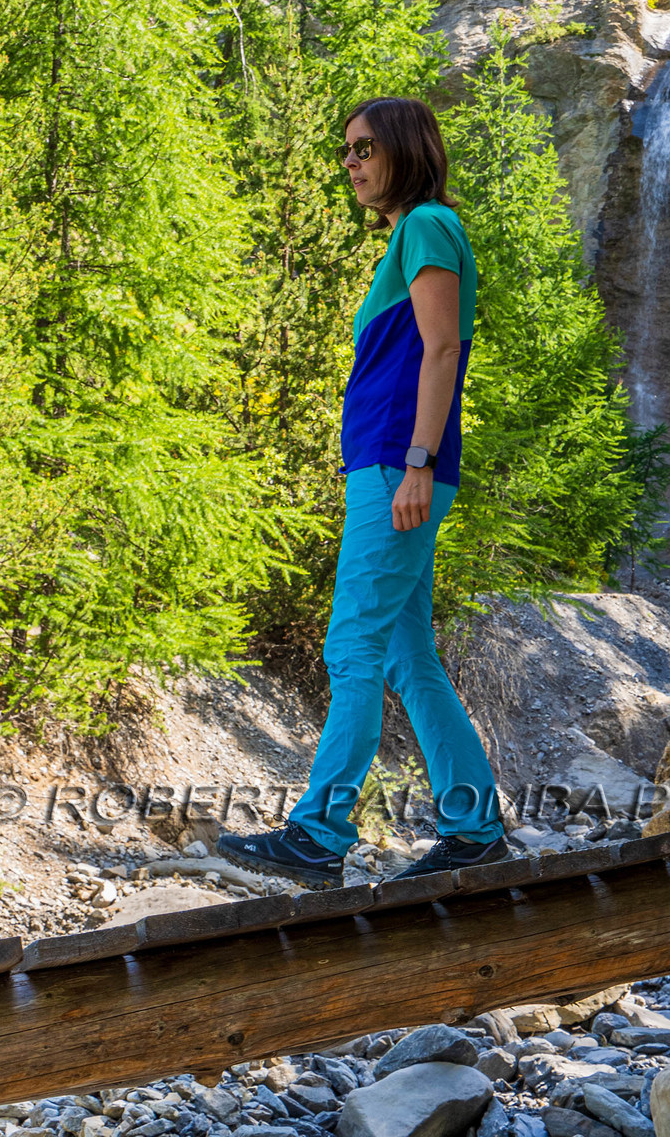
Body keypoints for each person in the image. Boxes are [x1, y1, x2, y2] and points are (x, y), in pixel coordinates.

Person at [220, 96, 510, 886]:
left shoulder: (427, 226)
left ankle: (319, 834)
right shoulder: (415, 236)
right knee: (408, 658)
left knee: (352, 647)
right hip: (389, 466)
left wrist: (417, 461)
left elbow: (443, 347)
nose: (349, 163)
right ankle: (475, 827)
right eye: (346, 150)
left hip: (397, 466)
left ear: (405, 151)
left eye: (363, 149)